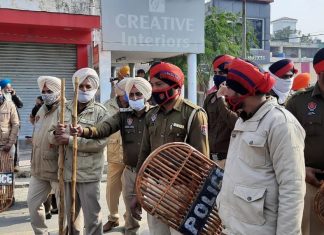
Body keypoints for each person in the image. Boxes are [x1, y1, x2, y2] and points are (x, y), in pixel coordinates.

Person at [216, 58, 306, 234]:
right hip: (235, 227)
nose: (226, 94)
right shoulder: (243, 120)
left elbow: (292, 189)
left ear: (244, 91)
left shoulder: (281, 124)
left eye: (231, 89)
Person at [132, 62, 209, 235]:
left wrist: (195, 199)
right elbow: (144, 154)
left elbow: (202, 162)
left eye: (159, 84)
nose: (154, 89)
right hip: (154, 189)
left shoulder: (193, 114)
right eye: (152, 85)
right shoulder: (151, 115)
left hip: (182, 193)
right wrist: (138, 191)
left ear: (175, 85)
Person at [73, 77, 153, 235]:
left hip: (153, 173)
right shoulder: (123, 115)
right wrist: (84, 131)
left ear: (147, 95)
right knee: (131, 215)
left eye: (139, 94)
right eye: (132, 95)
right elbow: (104, 128)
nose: (135, 98)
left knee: (155, 215)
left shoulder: (155, 115)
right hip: (130, 171)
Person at [52, 68, 108, 234]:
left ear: (95, 88)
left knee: (93, 219)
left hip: (89, 174)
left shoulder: (101, 112)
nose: (84, 89)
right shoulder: (63, 108)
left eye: (88, 86)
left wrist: (69, 140)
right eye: (81, 86)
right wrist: (56, 133)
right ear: (75, 87)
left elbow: (100, 142)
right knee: (71, 219)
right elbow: (50, 134)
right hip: (67, 172)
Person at [286, 48, 324, 235]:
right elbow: (285, 147)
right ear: (319, 73)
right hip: (310, 185)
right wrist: (302, 169)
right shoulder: (298, 102)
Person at [26, 76, 62, 234]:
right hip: (38, 168)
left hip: (57, 169)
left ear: (59, 92)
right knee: (33, 205)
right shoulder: (41, 109)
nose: (46, 94)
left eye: (50, 91)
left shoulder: (65, 109)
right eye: (44, 91)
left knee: (66, 209)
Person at [102, 77, 130, 232]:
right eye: (126, 91)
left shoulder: (138, 103)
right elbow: (101, 127)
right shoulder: (108, 105)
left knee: (130, 190)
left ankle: (129, 219)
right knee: (112, 189)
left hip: (133, 154)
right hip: (114, 154)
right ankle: (113, 218)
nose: (129, 94)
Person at [203, 54, 238, 168]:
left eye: (222, 73)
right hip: (209, 160)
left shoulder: (238, 100)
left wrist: (221, 99)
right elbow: (203, 127)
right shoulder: (210, 98)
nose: (217, 77)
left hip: (230, 160)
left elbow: (235, 123)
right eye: (215, 73)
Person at [0, 78, 23, 172]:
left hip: (13, 125)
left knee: (14, 144)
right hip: (5, 125)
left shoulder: (12, 98)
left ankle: (15, 164)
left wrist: (14, 95)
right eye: (7, 87)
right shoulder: (2, 96)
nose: (9, 89)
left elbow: (20, 105)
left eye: (10, 87)